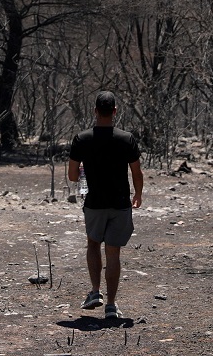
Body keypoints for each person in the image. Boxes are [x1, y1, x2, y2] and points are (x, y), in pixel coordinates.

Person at [67, 91, 144, 320]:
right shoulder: (126, 138)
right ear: (115, 112)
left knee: (93, 244)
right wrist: (138, 194)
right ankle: (111, 305)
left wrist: (83, 172)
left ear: (95, 111)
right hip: (120, 203)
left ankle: (94, 292)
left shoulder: (82, 139)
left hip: (94, 203)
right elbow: (136, 172)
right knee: (113, 253)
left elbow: (72, 176)